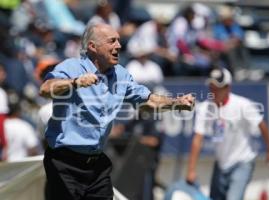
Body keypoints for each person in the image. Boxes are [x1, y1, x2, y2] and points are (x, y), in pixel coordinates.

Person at [39, 23, 195, 200]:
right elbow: (46, 89)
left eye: (119, 41)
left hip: (96, 164)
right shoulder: (71, 67)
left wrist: (176, 103)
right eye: (112, 41)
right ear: (92, 46)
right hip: (64, 164)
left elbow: (149, 99)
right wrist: (75, 82)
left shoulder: (121, 75)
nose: (119, 46)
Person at [186, 68, 269, 200]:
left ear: (227, 88)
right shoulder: (205, 108)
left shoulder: (242, 105)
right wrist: (191, 170)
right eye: (212, 87)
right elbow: (197, 139)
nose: (214, 91)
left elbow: (261, 124)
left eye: (218, 88)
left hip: (242, 160)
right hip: (221, 163)